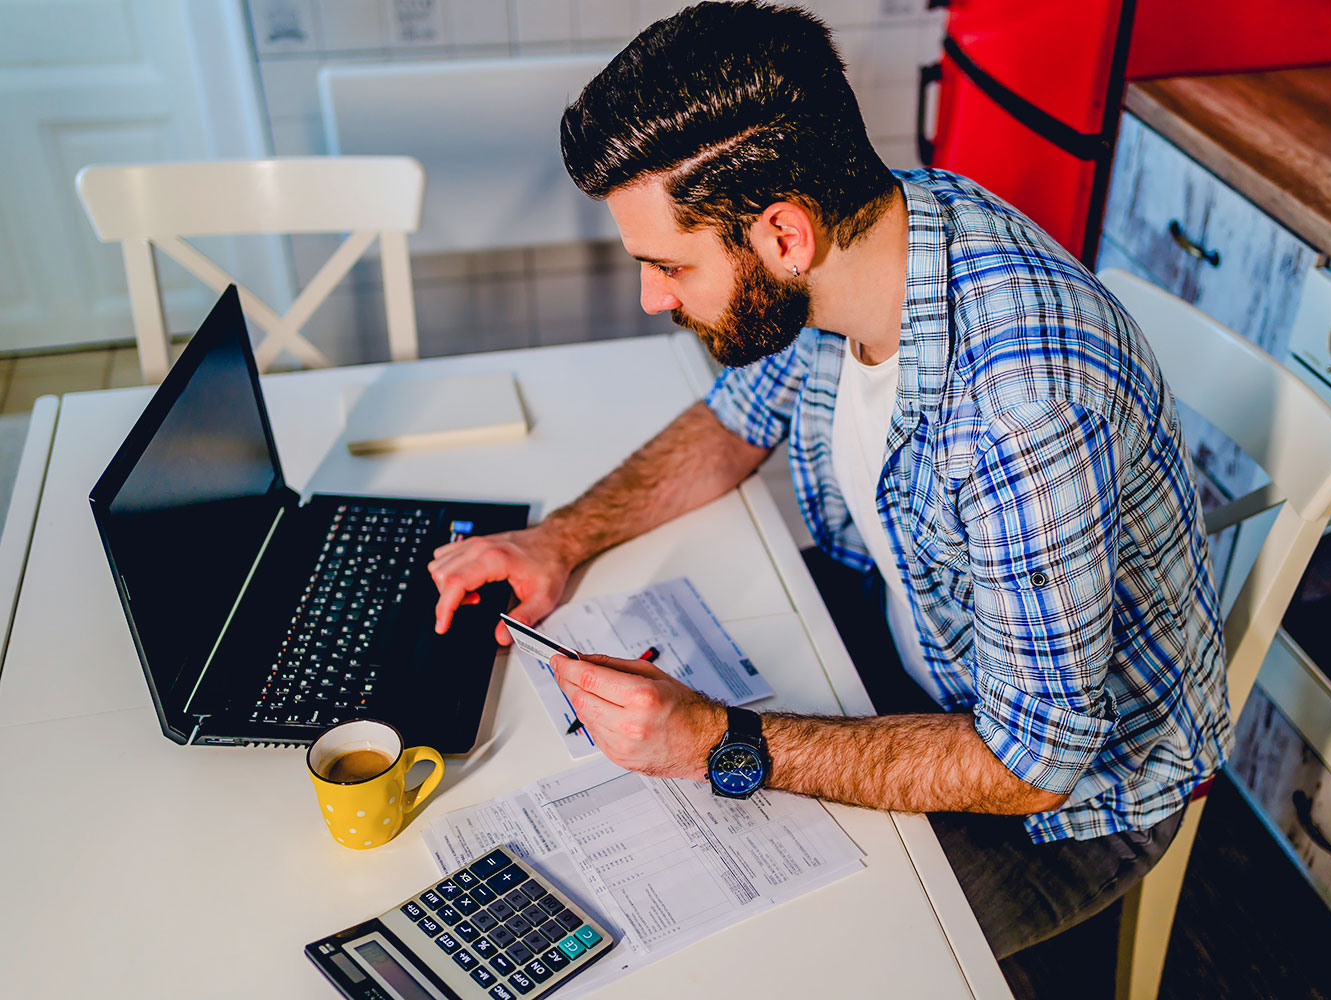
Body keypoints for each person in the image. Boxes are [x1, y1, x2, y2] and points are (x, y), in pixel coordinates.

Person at [428, 0, 1232, 961]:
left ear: (782, 236)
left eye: (668, 263)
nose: (653, 296)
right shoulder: (875, 240)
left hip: (1078, 803)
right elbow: (736, 421)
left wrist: (723, 743)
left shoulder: (1019, 404)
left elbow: (1034, 763)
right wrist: (558, 539)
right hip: (928, 661)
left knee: (757, 962)